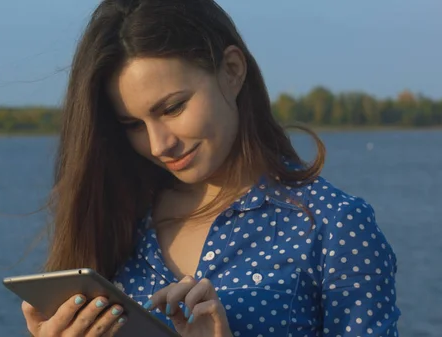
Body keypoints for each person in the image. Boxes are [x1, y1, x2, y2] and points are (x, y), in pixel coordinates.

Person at [20, 0, 401, 336]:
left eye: (172, 108)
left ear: (232, 70)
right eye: (132, 125)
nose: (158, 145)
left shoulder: (332, 225)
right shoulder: (116, 217)